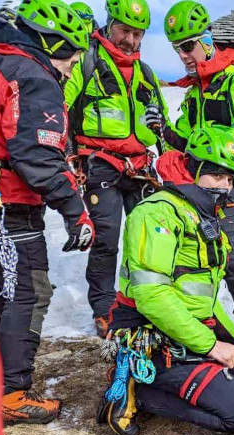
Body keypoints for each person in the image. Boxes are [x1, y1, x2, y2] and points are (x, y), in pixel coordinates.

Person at [97, 125, 234, 435]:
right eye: (217, 175)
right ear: (194, 171)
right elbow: (151, 295)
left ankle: (181, 375)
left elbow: (201, 297)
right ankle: (139, 387)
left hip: (188, 328)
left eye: (230, 179)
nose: (225, 186)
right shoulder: (157, 213)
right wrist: (212, 347)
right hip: (154, 334)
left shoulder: (201, 216)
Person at [0, 0, 94, 424]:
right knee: (27, 290)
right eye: (71, 56)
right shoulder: (29, 72)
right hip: (4, 200)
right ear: (52, 43)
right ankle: (9, 393)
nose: (71, 67)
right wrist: (75, 208)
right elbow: (37, 154)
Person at [149, 0, 234, 347]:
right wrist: (163, 131)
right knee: (230, 252)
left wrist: (197, 145)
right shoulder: (196, 91)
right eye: (176, 48)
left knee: (220, 245)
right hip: (211, 179)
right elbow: (186, 140)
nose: (183, 55)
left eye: (187, 46)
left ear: (207, 39)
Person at [64, 0, 169, 338]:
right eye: (125, 31)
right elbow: (62, 107)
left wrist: (166, 148)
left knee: (146, 242)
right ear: (109, 24)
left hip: (140, 169)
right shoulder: (87, 62)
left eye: (138, 34)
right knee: (106, 239)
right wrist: (66, 156)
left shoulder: (147, 74)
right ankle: (104, 307)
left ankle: (141, 300)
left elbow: (162, 125)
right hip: (99, 166)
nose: (131, 40)